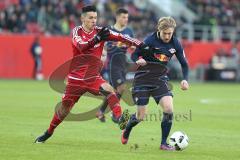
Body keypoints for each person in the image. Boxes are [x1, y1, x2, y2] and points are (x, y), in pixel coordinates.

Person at [34, 5, 150, 143]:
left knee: (110, 91)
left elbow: (121, 37)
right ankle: (49, 132)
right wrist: (96, 39)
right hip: (75, 80)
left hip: (93, 78)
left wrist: (141, 45)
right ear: (82, 18)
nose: (94, 20)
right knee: (64, 110)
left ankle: (119, 119)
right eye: (90, 18)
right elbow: (81, 46)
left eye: (95, 17)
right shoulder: (77, 31)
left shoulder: (101, 31)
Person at [121, 17, 190, 151]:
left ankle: (163, 143)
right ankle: (127, 129)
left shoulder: (175, 43)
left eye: (170, 33)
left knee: (169, 109)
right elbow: (134, 55)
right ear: (159, 30)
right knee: (141, 116)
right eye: (165, 33)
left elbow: (184, 64)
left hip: (159, 79)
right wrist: (139, 60)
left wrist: (185, 79)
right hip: (143, 79)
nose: (167, 36)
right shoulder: (149, 41)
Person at [95, 8, 135, 122]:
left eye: (127, 17)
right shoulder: (109, 30)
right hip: (113, 64)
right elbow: (103, 46)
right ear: (117, 17)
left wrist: (131, 46)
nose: (125, 20)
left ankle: (100, 112)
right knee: (121, 88)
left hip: (123, 63)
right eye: (123, 17)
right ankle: (115, 114)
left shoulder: (129, 31)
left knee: (113, 92)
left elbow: (132, 46)